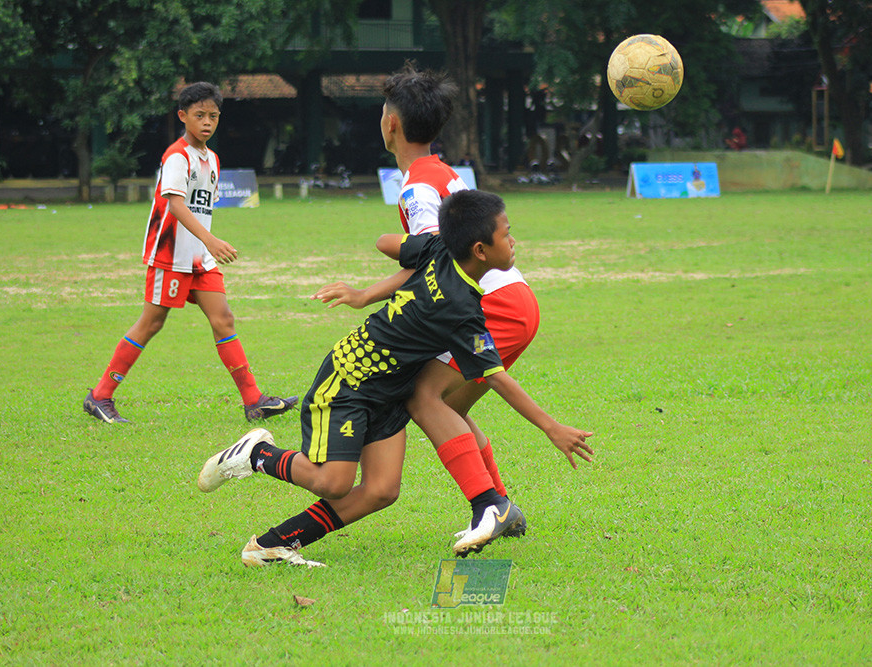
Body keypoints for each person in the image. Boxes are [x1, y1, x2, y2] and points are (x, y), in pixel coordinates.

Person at [198, 190, 593, 566]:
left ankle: (273, 545)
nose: (513, 242)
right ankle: (257, 454)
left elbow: (385, 242)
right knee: (334, 483)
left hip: (390, 391)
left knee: (381, 490)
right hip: (349, 382)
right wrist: (551, 427)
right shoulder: (463, 310)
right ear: (480, 250)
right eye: (507, 235)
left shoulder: (438, 249)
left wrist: (419, 251)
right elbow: (496, 379)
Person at [314, 62, 542, 545]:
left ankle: (491, 506)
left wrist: (365, 294)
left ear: (390, 123)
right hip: (513, 300)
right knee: (447, 407)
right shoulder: (441, 172)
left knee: (422, 397)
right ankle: (502, 508)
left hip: (491, 305)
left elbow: (436, 262)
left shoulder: (418, 187)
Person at [83, 81, 297, 424]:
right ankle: (100, 395)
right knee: (151, 323)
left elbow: (201, 208)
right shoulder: (177, 156)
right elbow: (176, 205)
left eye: (213, 115)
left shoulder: (212, 159)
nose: (207, 122)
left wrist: (206, 245)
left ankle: (254, 401)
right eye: (199, 115)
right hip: (170, 255)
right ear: (183, 116)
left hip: (200, 259)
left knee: (223, 319)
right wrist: (211, 240)